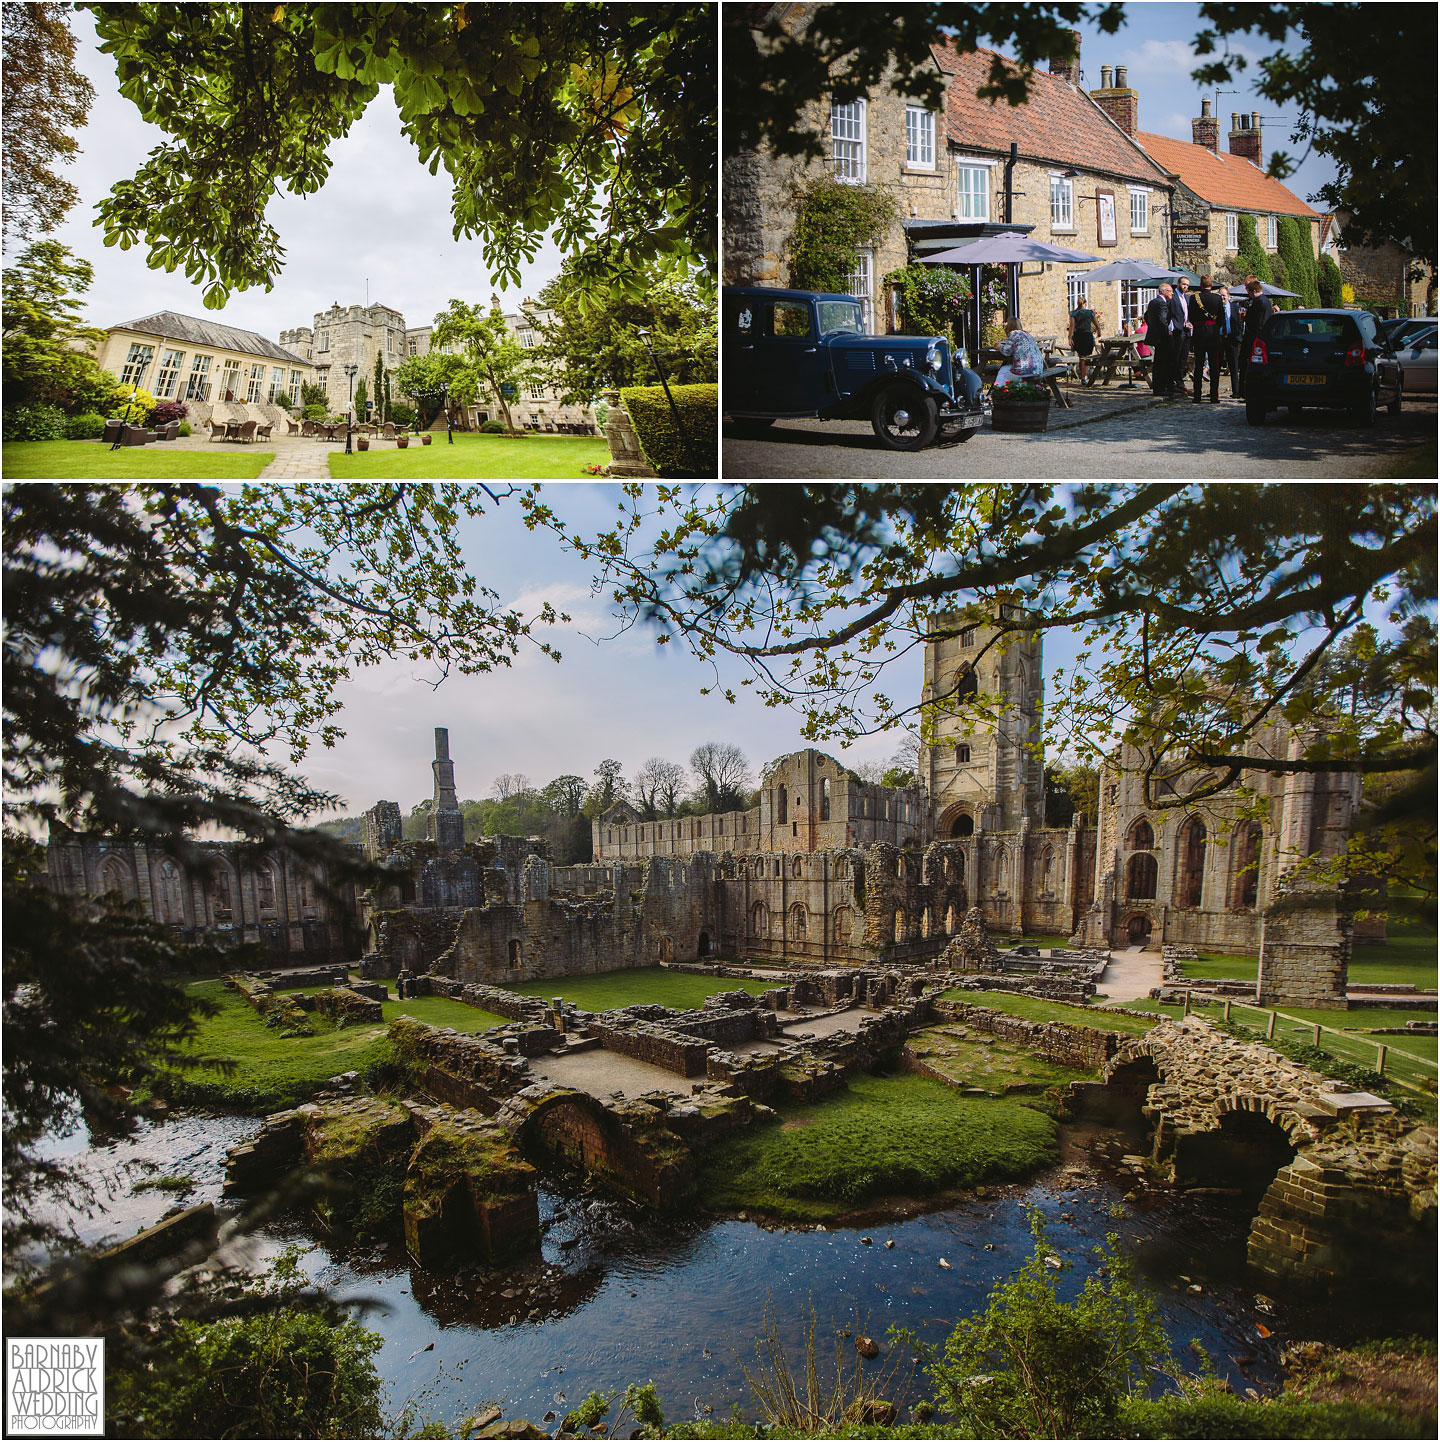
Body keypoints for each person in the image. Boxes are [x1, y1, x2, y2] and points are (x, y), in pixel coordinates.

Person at [1187, 276, 1225, 403]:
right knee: (1214, 366)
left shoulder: (1194, 298)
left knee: (1198, 365)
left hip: (1199, 333)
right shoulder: (1217, 298)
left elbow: (1191, 317)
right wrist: (1213, 326)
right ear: (1211, 284)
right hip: (1213, 333)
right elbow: (1222, 319)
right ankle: (1214, 396)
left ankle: (1197, 396)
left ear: (1200, 285)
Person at [1240, 277, 1274, 399]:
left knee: (1247, 363)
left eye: (1249, 293)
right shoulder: (1265, 301)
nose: (1249, 295)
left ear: (1254, 291)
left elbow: (1259, 323)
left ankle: (1244, 391)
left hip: (1254, 338)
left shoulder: (1260, 302)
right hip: (1256, 336)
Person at [1143, 284, 1176, 395]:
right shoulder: (1162, 303)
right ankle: (1161, 387)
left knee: (1158, 362)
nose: (1172, 293)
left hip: (1156, 336)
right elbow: (1162, 320)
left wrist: (1153, 327)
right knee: (1163, 362)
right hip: (1163, 338)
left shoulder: (1153, 302)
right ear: (1163, 291)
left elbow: (1146, 316)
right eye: (1170, 291)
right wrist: (1168, 331)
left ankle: (1158, 386)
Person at [994, 316, 1044, 388]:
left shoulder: (1014, 334)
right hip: (1038, 368)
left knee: (1003, 371)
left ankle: (999, 392)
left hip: (1025, 368)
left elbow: (1007, 352)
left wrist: (998, 347)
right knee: (1008, 372)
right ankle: (1013, 391)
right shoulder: (1028, 335)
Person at [1217, 284, 1244, 397]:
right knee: (1216, 366)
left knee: (1234, 366)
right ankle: (1215, 391)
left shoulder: (1235, 308)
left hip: (1232, 339)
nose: (1222, 298)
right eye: (1220, 295)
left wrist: (1238, 336)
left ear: (1228, 296)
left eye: (1223, 295)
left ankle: (1236, 391)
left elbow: (1240, 323)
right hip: (1219, 339)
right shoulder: (1216, 308)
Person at [1068, 295, 1100, 384]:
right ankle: (1084, 377)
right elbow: (1096, 323)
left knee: (1081, 356)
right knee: (1086, 357)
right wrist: (1099, 331)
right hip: (1087, 335)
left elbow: (1072, 326)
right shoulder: (1090, 313)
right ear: (1085, 304)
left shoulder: (1073, 313)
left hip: (1078, 335)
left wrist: (1069, 338)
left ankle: (1082, 377)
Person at [1169, 277, 1193, 394]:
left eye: (1187, 285)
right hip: (1177, 332)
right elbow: (1169, 314)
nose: (1185, 287)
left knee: (1183, 358)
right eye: (1183, 284)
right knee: (1175, 358)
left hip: (1186, 332)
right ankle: (1173, 382)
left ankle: (1180, 382)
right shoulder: (1173, 297)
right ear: (1178, 284)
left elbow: (1186, 315)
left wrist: (1188, 322)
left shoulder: (1186, 298)